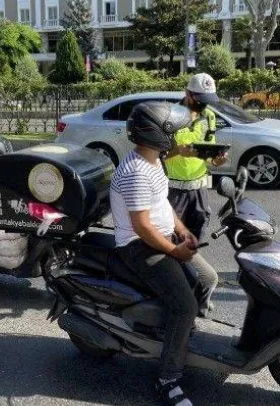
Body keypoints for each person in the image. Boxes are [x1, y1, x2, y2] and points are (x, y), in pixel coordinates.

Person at [110, 101, 203, 406]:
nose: (176, 137)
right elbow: (142, 227)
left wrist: (183, 230)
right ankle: (168, 379)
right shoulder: (136, 171)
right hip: (138, 246)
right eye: (172, 132)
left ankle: (177, 334)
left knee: (206, 277)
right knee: (185, 307)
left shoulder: (153, 160)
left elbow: (162, 203)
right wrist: (175, 250)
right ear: (157, 134)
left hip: (160, 237)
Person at [165, 72, 227, 318]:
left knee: (194, 246)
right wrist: (179, 151)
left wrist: (217, 161)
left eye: (207, 100)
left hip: (199, 191)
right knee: (172, 246)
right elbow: (157, 153)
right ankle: (176, 300)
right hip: (174, 192)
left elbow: (208, 153)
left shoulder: (209, 116)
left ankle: (195, 297)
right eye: (200, 99)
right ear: (188, 94)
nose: (203, 105)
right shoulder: (169, 117)